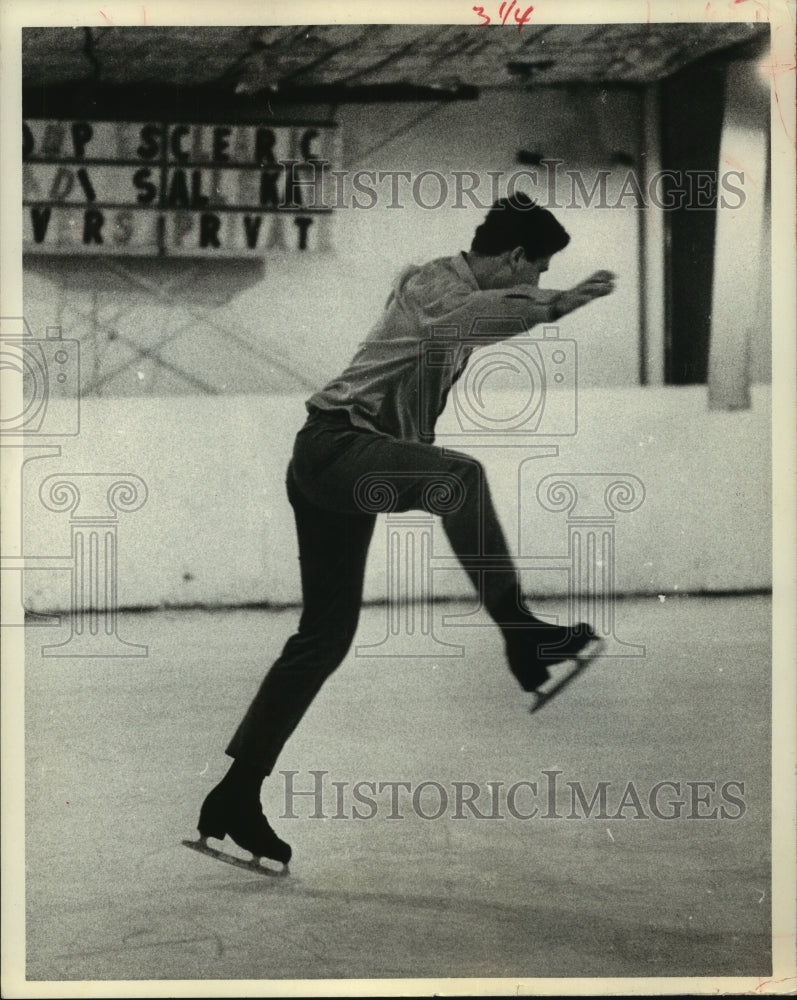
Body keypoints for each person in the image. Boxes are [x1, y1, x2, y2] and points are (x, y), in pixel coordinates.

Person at [195, 194, 615, 867]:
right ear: (512, 259)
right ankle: (521, 633)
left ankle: (234, 794)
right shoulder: (437, 284)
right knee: (461, 479)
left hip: (338, 464)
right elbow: (470, 317)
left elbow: (457, 338)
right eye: (534, 271)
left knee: (322, 640)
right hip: (335, 451)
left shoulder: (440, 293)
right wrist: (552, 305)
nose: (535, 284)